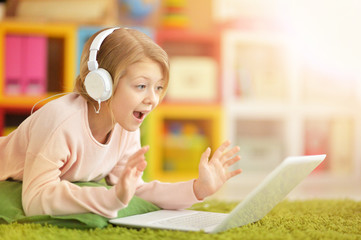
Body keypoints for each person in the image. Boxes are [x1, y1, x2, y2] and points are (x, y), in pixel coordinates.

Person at [0, 27, 242, 218]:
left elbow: (134, 189)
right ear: (101, 83)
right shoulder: (60, 122)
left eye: (158, 88)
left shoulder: (126, 126)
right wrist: (110, 199)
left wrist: (198, 189)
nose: (153, 99)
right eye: (141, 86)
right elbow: (35, 200)